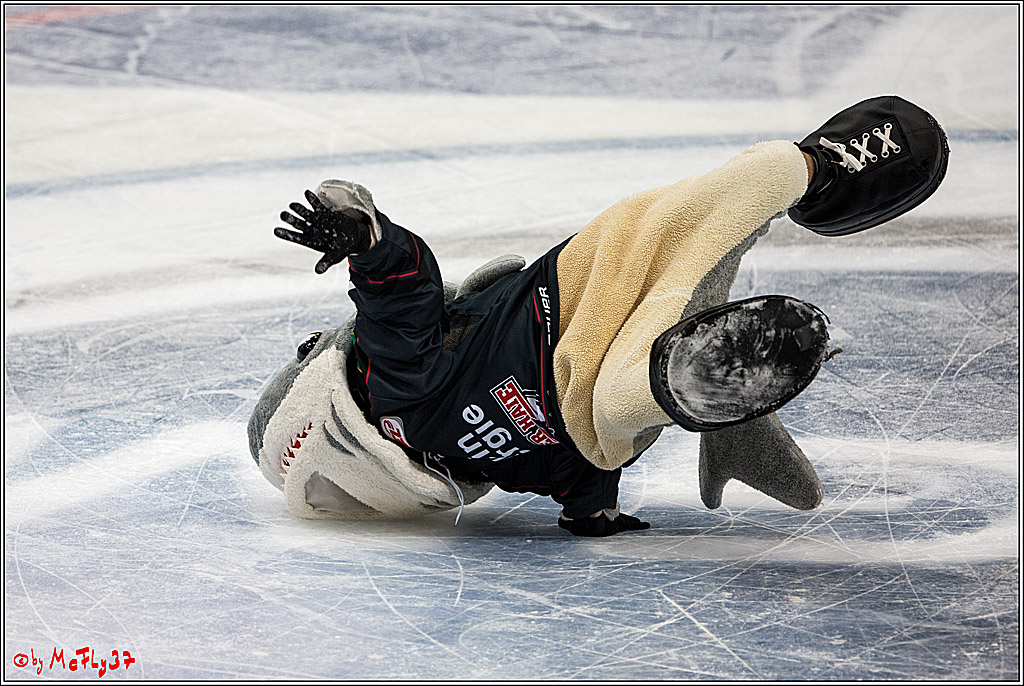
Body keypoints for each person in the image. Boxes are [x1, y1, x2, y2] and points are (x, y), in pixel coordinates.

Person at [248, 96, 948, 536]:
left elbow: (400, 297)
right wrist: (369, 243)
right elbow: (399, 296)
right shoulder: (399, 386)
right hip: (581, 302)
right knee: (673, 230)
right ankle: (811, 173)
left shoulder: (429, 417)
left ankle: (685, 381)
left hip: (585, 330)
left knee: (622, 403)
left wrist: (594, 514)